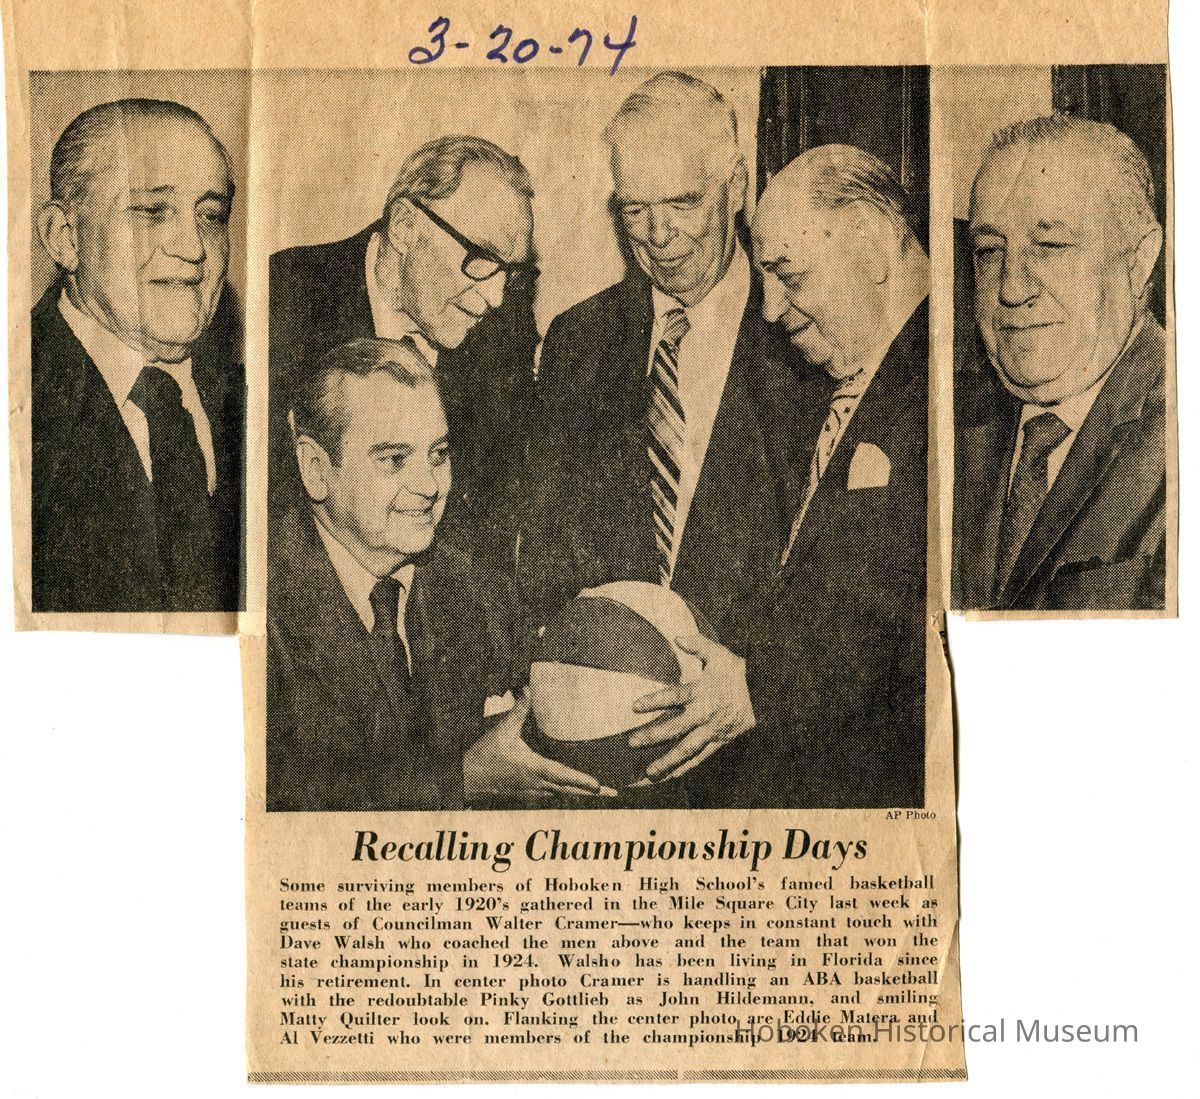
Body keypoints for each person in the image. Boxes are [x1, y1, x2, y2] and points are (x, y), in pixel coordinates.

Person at [519, 73, 808, 806]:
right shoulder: (577, 341)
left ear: (735, 187)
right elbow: (547, 558)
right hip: (605, 779)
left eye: (682, 203)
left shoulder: (803, 336)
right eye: (634, 210)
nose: (658, 234)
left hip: (767, 776)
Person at [632, 145, 930, 808]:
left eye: (789, 275)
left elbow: (909, 628)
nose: (769, 309)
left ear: (875, 248)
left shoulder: (945, 386)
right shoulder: (840, 380)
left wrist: (759, 689)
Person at [267, 338, 612, 812]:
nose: (429, 486)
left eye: (438, 454)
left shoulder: (471, 580)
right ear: (316, 469)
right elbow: (277, 811)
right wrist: (461, 781)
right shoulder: (262, 605)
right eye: (394, 460)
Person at [268, 135, 539, 566]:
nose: (497, 297)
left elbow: (491, 523)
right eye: (482, 258)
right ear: (405, 226)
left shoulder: (504, 331)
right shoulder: (284, 297)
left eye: (512, 271)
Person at [31, 98, 244, 612]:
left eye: (211, 215)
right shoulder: (20, 398)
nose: (194, 246)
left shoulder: (258, 400)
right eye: (152, 211)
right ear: (65, 238)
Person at [954, 114, 1166, 611]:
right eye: (988, 251)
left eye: (1049, 246)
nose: (1010, 288)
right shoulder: (950, 425)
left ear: (1139, 261)